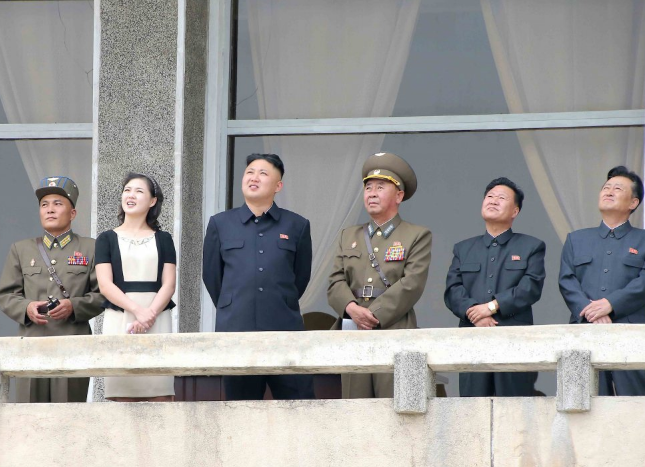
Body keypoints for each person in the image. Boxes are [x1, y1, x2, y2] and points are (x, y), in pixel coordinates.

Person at [203, 153, 314, 400]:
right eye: (250, 172)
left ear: (278, 186)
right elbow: (213, 277)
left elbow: (300, 277)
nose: (254, 178)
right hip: (237, 332)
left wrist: (278, 301)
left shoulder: (297, 225)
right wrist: (235, 304)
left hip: (284, 331)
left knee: (299, 407)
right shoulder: (221, 224)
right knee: (240, 411)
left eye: (263, 173)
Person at [327, 152, 431, 399]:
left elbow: (412, 284)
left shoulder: (416, 235)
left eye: (380, 187)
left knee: (394, 402)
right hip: (353, 326)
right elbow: (335, 282)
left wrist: (372, 315)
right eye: (368, 187)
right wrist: (352, 310)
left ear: (399, 195)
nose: (371, 193)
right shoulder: (348, 235)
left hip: (394, 326)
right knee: (355, 403)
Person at [0, 176, 104, 403]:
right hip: (31, 343)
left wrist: (73, 306)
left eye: (58, 203)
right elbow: (5, 295)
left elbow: (102, 294)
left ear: (72, 213)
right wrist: (27, 308)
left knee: (68, 415)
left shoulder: (90, 247)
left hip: (72, 344)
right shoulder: (21, 249)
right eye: (44, 205)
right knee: (28, 414)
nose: (50, 210)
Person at [444, 177, 545, 397]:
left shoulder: (531, 246)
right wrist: (476, 313)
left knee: (513, 407)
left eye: (501, 198)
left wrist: (490, 308)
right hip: (473, 337)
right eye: (489, 196)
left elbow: (531, 287)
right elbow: (453, 290)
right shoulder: (463, 248)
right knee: (472, 405)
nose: (493, 201)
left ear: (515, 211)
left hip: (513, 339)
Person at [559, 166, 645, 396]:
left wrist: (611, 304)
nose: (609, 191)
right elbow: (567, 281)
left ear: (633, 203)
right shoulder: (576, 239)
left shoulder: (643, 239)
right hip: (583, 333)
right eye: (606, 187)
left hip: (631, 335)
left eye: (617, 188)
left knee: (634, 407)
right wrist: (590, 311)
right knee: (581, 405)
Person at [95, 173, 176, 402]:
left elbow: (168, 284)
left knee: (159, 393)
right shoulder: (106, 238)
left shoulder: (164, 239)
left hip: (158, 318)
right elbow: (105, 284)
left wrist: (149, 315)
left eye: (139, 191)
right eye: (127, 190)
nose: (131, 195)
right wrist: (139, 312)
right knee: (122, 394)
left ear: (152, 201)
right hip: (120, 317)